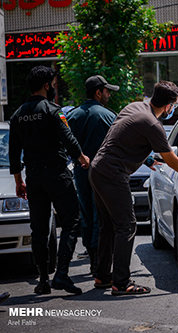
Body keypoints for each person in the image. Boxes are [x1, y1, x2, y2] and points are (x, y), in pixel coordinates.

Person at [89, 81, 178, 295]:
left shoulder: (134, 107)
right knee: (127, 225)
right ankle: (121, 283)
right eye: (174, 106)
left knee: (108, 226)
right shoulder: (153, 124)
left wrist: (148, 159)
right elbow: (172, 161)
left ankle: (103, 276)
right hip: (113, 174)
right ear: (169, 106)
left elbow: (124, 138)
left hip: (98, 169)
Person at [9, 65, 90, 295]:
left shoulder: (17, 115)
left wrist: (18, 181)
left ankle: (43, 280)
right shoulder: (53, 110)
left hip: (32, 177)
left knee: (39, 230)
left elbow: (14, 153)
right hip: (56, 174)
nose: (54, 88)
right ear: (46, 86)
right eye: (53, 84)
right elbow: (69, 139)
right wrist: (83, 158)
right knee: (72, 221)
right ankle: (61, 275)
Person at [67, 75, 119, 276]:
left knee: (87, 217)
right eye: (107, 92)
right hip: (104, 176)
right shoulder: (108, 116)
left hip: (80, 175)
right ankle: (100, 263)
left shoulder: (71, 116)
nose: (108, 96)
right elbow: (122, 143)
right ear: (98, 93)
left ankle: (92, 259)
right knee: (101, 218)